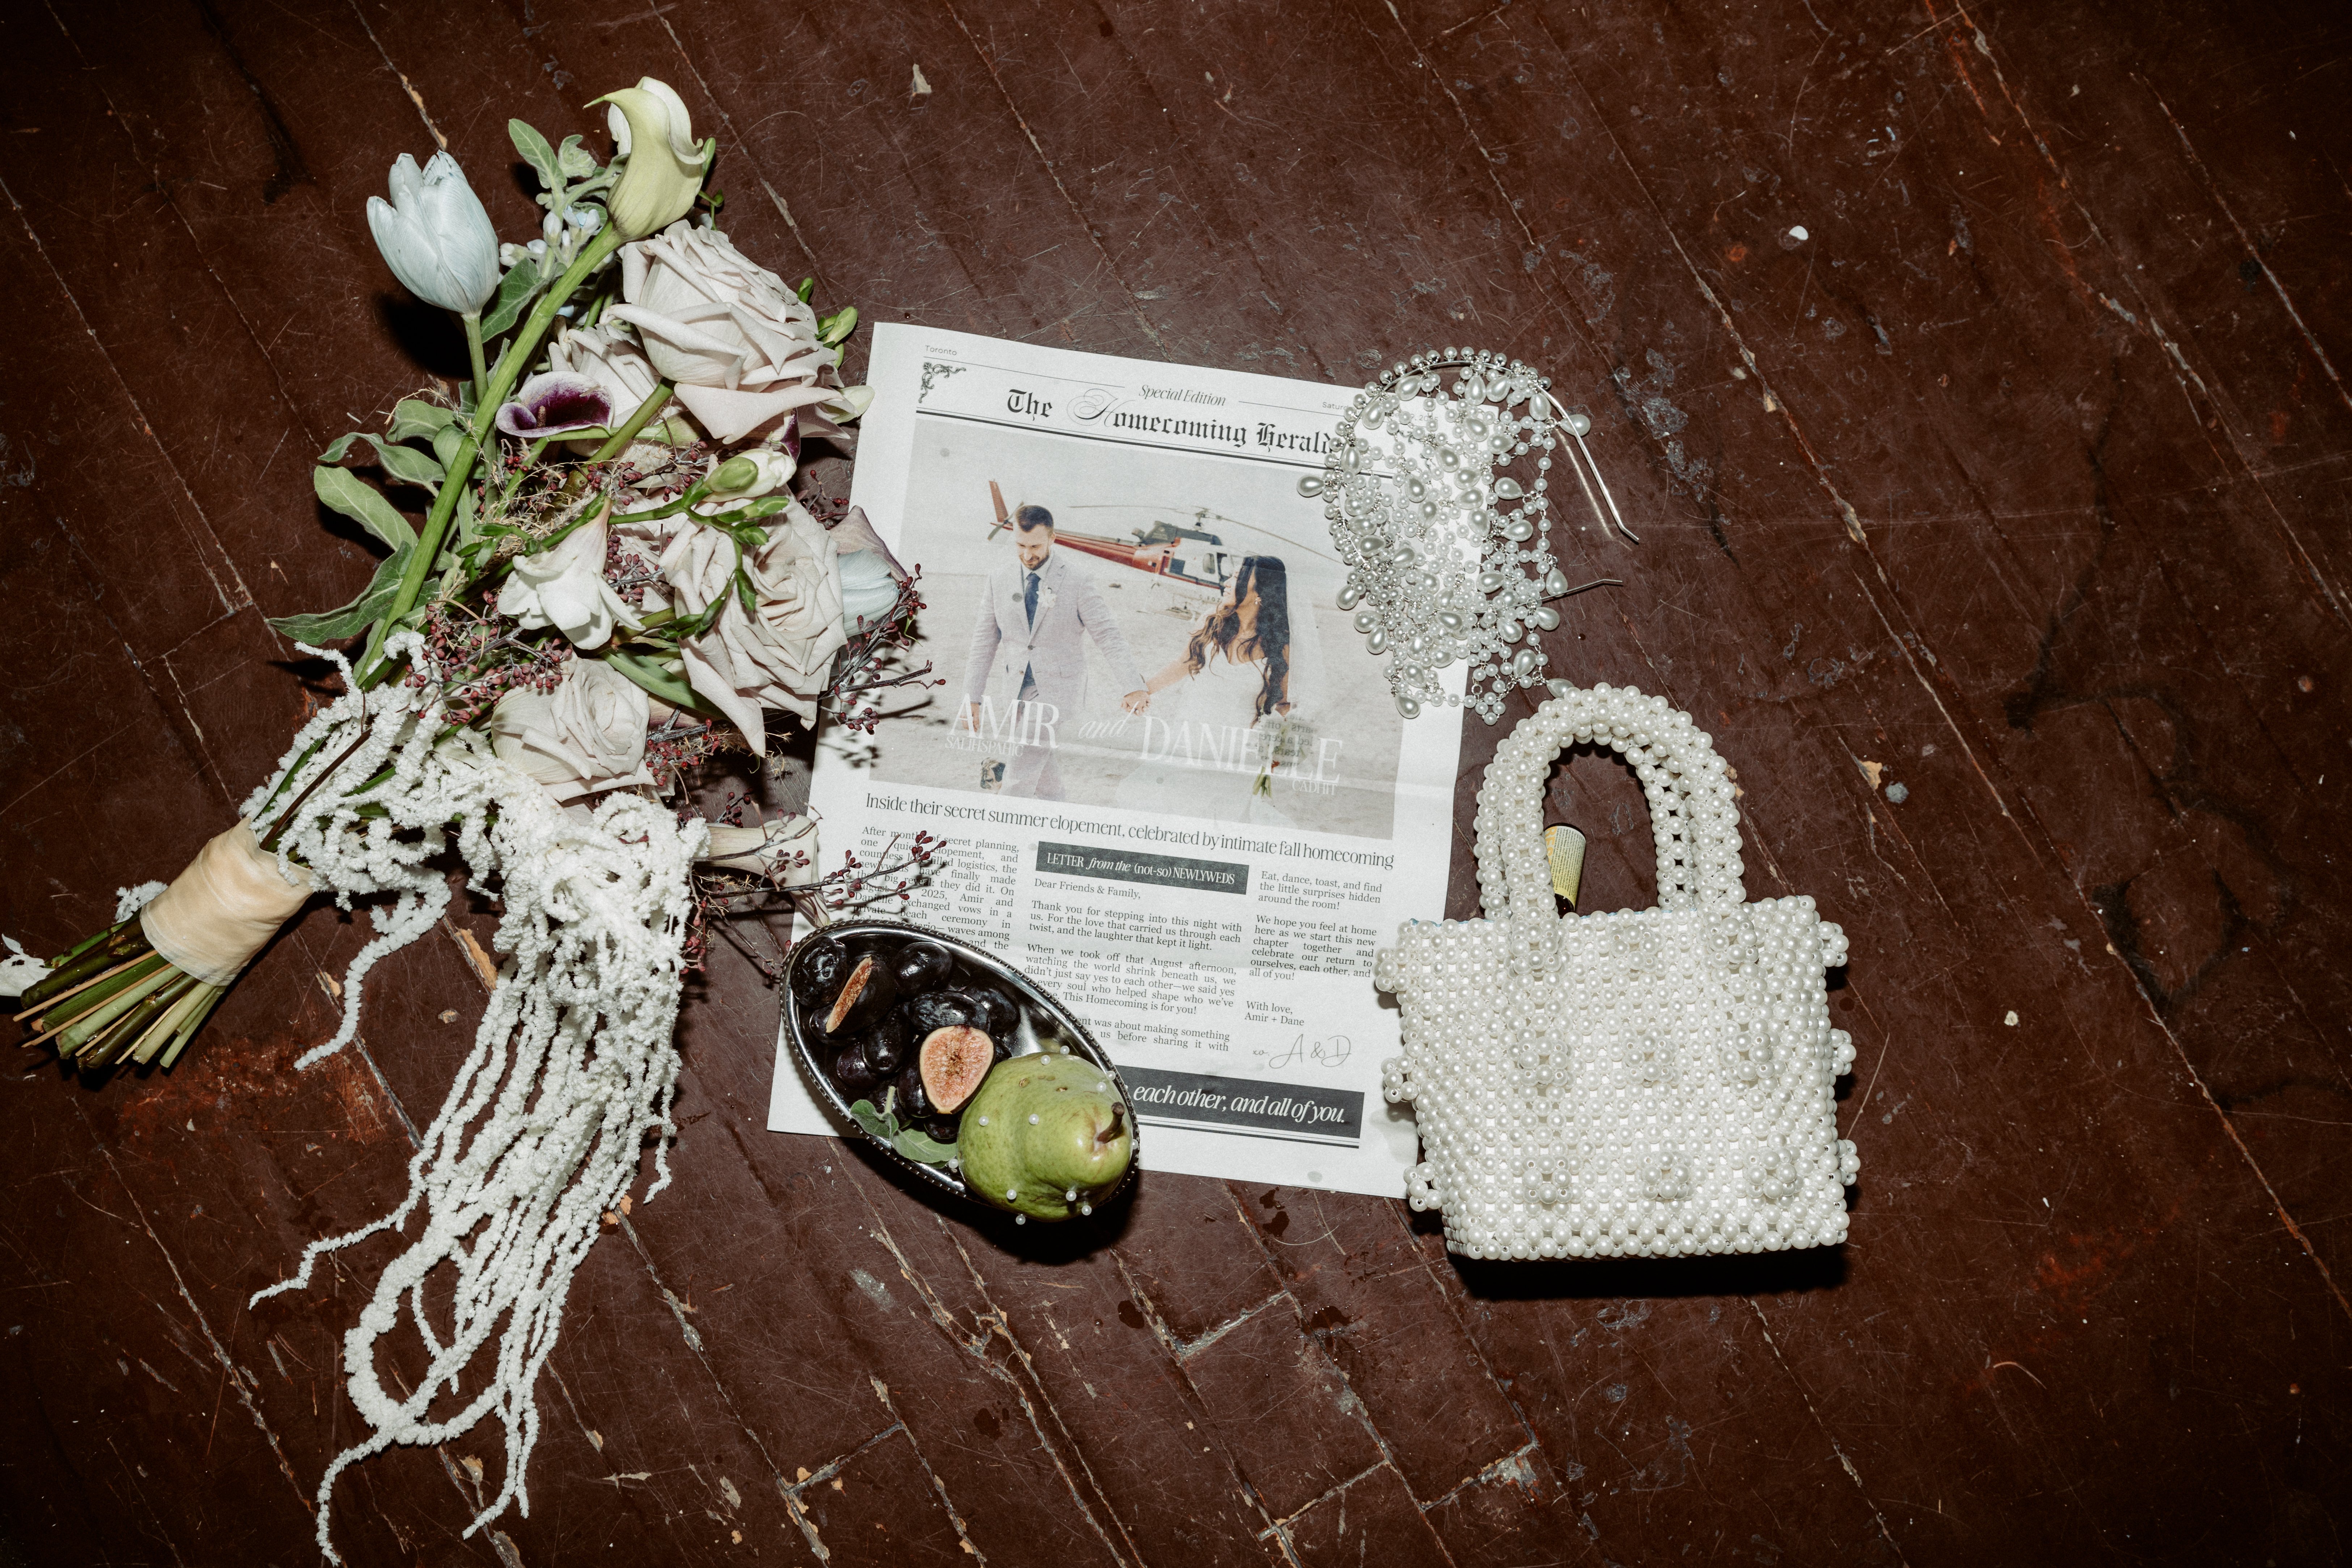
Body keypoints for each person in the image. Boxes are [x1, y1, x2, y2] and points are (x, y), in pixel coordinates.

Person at [961, 505, 1149, 800]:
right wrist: (971, 697)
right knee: (1043, 776)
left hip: (1057, 692)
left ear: (1053, 539)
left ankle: (998, 826)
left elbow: (1108, 636)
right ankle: (1058, 814)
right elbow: (983, 642)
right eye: (1020, 546)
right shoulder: (998, 579)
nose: (1027, 555)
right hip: (1015, 690)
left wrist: (1133, 686)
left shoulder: (1078, 580)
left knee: (1019, 774)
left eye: (1035, 546)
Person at [1114, 555, 1304, 826]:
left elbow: (1282, 704)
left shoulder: (1277, 643)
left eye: (1237, 578)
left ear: (1261, 591)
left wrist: (1277, 749)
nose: (1227, 583)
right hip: (1188, 738)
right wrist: (1142, 691)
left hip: (1235, 752)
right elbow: (1183, 664)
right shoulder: (1212, 622)